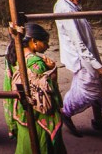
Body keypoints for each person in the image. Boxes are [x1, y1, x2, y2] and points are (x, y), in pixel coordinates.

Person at [54, 0, 102, 135]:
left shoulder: (71, 5)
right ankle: (65, 113)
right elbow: (78, 42)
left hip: (88, 54)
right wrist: (98, 66)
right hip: (81, 57)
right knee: (90, 90)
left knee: (95, 85)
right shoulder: (65, 9)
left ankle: (98, 121)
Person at [6, 23, 67, 154]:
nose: (47, 46)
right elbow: (47, 91)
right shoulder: (36, 63)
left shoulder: (14, 55)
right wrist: (53, 71)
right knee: (41, 145)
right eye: (45, 42)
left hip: (21, 111)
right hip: (37, 114)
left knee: (25, 145)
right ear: (33, 41)